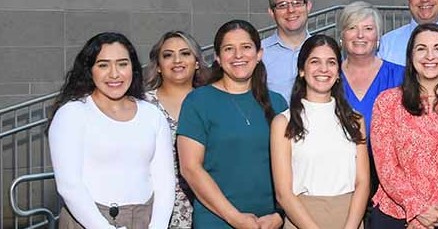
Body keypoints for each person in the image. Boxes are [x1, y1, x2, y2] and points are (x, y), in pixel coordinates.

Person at [49, 32, 174, 229]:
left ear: (133, 68)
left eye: (122, 63)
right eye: (103, 65)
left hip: (145, 218)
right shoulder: (72, 114)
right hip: (87, 220)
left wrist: (158, 226)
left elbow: (165, 182)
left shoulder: (152, 114)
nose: (114, 74)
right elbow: (69, 186)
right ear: (90, 70)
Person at [178, 20, 288, 229]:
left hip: (269, 222)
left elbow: (292, 166)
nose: (238, 55)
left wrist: (280, 215)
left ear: (259, 54)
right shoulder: (198, 102)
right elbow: (190, 168)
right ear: (218, 57)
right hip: (217, 220)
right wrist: (235, 217)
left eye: (246, 47)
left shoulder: (278, 102)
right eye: (229, 49)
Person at [370, 24, 438, 229]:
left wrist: (433, 209)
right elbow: (386, 166)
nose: (430, 56)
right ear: (411, 56)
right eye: (421, 48)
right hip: (393, 215)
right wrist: (417, 208)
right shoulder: (387, 102)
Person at [270, 35, 369, 229]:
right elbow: (283, 193)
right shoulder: (283, 122)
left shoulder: (355, 120)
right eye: (315, 61)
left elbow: (363, 182)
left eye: (331, 62)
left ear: (339, 72)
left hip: (350, 217)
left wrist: (351, 226)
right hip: (302, 219)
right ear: (301, 70)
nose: (324, 69)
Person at [144, 30, 213, 228]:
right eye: (168, 55)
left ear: (197, 62)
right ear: (158, 66)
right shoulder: (142, 106)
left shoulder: (211, 102)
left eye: (185, 53)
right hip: (154, 210)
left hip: (207, 204)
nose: (177, 60)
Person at [338, 1, 403, 132]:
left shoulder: (401, 76)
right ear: (342, 36)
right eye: (352, 28)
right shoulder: (329, 76)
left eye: (368, 28)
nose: (360, 35)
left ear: (378, 36)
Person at [262, 0, 312, 99]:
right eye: (282, 5)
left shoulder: (324, 51)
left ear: (308, 6)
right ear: (271, 12)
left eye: (297, 3)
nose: (291, 10)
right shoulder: (257, 54)